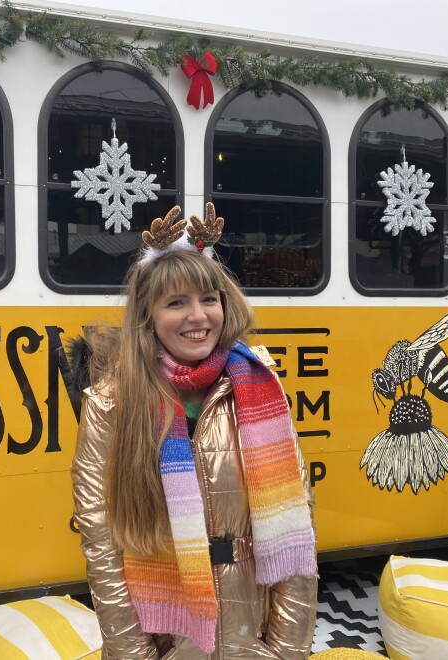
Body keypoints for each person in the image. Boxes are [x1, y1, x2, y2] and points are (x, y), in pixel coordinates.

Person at [71, 203, 318, 659]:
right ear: (147, 315)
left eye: (209, 298)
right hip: (164, 642)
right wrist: (135, 654)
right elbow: (102, 545)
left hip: (253, 637)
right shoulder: (112, 402)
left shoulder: (259, 383)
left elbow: (297, 519)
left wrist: (287, 649)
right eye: (176, 303)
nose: (198, 316)